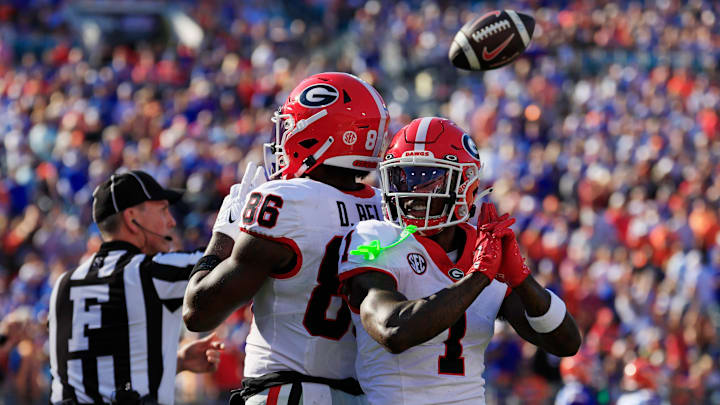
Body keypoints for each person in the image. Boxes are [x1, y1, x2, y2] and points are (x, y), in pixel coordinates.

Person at [338, 117, 582, 404]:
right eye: (403, 176)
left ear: (464, 185)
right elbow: (393, 331)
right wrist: (478, 276)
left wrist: (522, 279)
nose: (412, 191)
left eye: (427, 179)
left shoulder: (484, 247)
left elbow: (566, 343)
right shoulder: (375, 237)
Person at [183, 72, 389, 404]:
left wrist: (223, 234)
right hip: (358, 396)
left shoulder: (283, 201)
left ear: (317, 132)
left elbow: (198, 311)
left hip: (286, 392)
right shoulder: (384, 207)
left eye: (291, 126)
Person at [48, 170, 224, 405]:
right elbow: (228, 259)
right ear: (132, 218)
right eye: (162, 210)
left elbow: (96, 371)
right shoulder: (149, 272)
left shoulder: (64, 282)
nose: (171, 221)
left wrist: (175, 361)